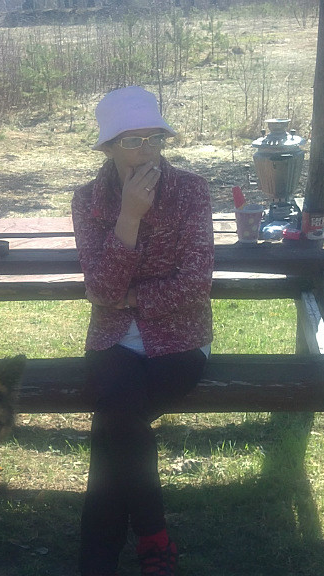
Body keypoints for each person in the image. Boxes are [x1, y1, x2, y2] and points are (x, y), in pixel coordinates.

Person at [71, 87, 214, 576]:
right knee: (119, 416)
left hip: (180, 339)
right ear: (108, 148)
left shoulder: (191, 191)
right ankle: (154, 538)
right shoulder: (89, 200)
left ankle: (99, 559)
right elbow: (101, 289)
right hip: (112, 340)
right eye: (131, 141)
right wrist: (128, 216)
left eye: (154, 137)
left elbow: (195, 284)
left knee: (114, 419)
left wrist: (133, 299)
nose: (146, 150)